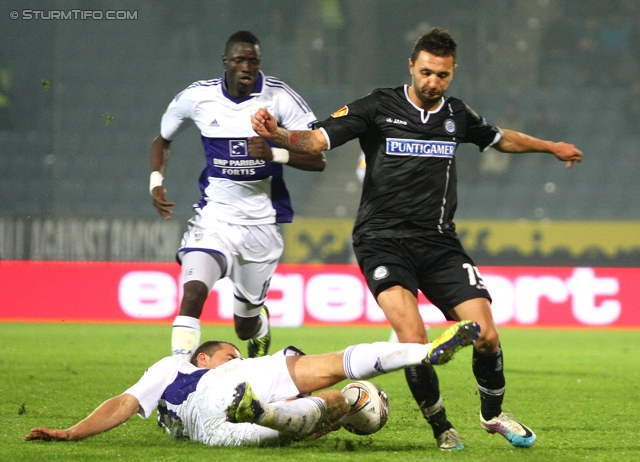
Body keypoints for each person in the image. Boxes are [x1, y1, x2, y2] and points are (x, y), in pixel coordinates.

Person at [251, 27, 583, 450]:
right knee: (414, 340)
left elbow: (501, 139)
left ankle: (493, 415)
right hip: (382, 240)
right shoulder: (377, 106)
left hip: (439, 243)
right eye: (426, 72)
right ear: (411, 66)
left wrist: (551, 146)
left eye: (442, 75)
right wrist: (278, 135)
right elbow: (316, 140)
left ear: (452, 72)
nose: (432, 82)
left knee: (487, 336)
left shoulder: (456, 115)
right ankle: (441, 425)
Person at [149, 31, 326, 361]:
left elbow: (318, 158)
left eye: (254, 61)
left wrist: (275, 154)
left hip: (260, 226)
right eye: (240, 60)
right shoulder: (197, 97)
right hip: (214, 218)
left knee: (244, 325)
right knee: (193, 293)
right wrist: (156, 181)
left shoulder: (279, 97)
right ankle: (177, 380)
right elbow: (162, 139)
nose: (247, 67)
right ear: (225, 62)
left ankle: (259, 327)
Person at [25, 320, 480, 447]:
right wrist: (237, 365)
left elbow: (124, 404)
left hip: (217, 432)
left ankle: (264, 412)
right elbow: (120, 402)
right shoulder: (178, 364)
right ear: (203, 356)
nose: (237, 355)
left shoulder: (164, 389)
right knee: (335, 373)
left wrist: (71, 432)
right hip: (221, 394)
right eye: (231, 351)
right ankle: (422, 352)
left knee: (322, 411)